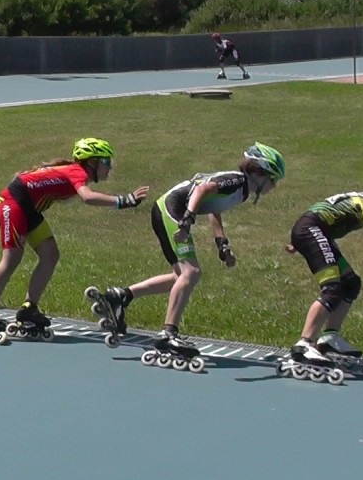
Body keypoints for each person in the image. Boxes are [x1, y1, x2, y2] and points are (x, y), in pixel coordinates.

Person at [86, 144, 287, 369]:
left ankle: (121, 296)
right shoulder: (237, 181)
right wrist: (187, 219)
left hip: (170, 210)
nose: (274, 186)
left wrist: (222, 245)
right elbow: (201, 190)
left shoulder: (241, 190)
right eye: (273, 179)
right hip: (173, 210)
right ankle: (168, 334)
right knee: (191, 272)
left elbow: (214, 209)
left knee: (180, 277)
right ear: (259, 172)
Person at [0, 138, 150, 343]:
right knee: (12, 258)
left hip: (28, 208)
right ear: (92, 162)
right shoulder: (78, 172)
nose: (110, 167)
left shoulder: (73, 170)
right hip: (13, 204)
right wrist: (124, 200)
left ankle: (29, 308)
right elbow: (88, 197)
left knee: (50, 255)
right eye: (106, 162)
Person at [282, 159, 363, 371]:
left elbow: (323, 215)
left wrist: (300, 240)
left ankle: (330, 339)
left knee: (351, 283)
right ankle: (304, 345)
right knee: (332, 289)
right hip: (311, 230)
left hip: (312, 230)